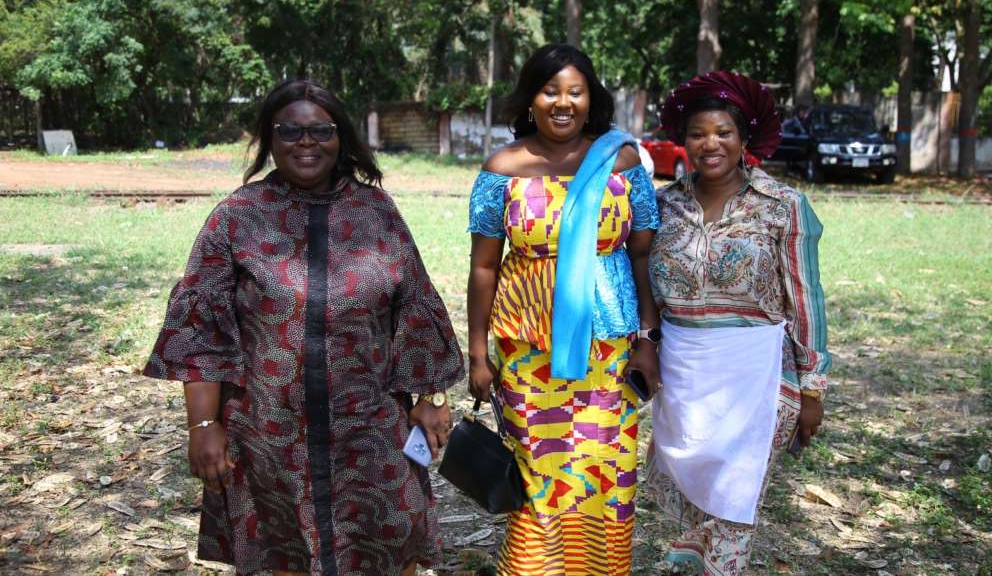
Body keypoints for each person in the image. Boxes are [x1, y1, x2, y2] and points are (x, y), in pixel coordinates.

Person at [143, 80, 465, 576]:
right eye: (290, 129)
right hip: (270, 433)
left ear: (341, 138)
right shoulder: (237, 217)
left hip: (372, 427)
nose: (306, 141)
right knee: (286, 555)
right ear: (269, 139)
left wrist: (432, 399)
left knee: (387, 547)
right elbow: (201, 331)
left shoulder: (378, 213)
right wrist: (203, 426)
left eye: (321, 129)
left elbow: (418, 310)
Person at [466, 44, 661, 575]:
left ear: (590, 98)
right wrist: (478, 354)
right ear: (530, 98)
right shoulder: (502, 169)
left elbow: (641, 255)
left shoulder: (622, 161)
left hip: (608, 348)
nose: (563, 102)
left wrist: (647, 340)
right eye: (550, 90)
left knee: (605, 467)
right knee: (539, 469)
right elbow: (484, 266)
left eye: (575, 92)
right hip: (527, 348)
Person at [643, 72, 830, 575]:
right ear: (683, 142)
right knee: (696, 495)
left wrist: (812, 391)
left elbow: (807, 300)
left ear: (745, 139)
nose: (711, 144)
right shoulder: (661, 206)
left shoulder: (782, 207)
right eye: (698, 133)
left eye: (724, 132)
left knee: (737, 499)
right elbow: (644, 285)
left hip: (756, 374)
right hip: (681, 370)